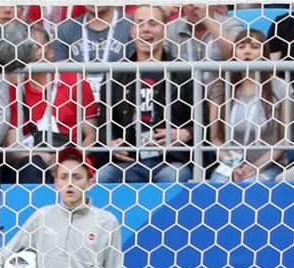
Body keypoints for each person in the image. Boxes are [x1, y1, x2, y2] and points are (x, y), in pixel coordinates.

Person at [0, 148, 126, 268]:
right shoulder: (41, 217)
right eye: (63, 177)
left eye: (77, 177)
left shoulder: (106, 222)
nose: (69, 183)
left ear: (90, 182)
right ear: (56, 182)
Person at [98, 6, 194, 184]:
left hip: (170, 161)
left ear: (165, 31)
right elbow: (103, 121)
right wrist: (109, 143)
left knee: (173, 175)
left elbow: (203, 120)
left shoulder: (182, 71)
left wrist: (185, 134)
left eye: (153, 23)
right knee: (103, 176)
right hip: (129, 161)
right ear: (132, 31)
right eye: (139, 23)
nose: (146, 29)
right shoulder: (116, 72)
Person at [1, 25, 98, 184]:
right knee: (31, 166)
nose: (31, 52)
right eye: (25, 47)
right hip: (33, 159)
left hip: (73, 156)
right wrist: (39, 156)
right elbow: (12, 148)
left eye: (37, 47)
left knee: (71, 171)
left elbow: (91, 135)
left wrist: (70, 157)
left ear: (50, 51)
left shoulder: (75, 81)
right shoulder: (15, 90)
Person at [208, 30, 291, 184]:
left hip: (268, 164)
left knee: (250, 184)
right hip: (230, 164)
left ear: (264, 52)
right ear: (234, 52)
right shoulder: (220, 88)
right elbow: (215, 138)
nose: (247, 51)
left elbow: (284, 139)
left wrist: (255, 167)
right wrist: (234, 166)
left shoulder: (281, 87)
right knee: (217, 184)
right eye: (241, 47)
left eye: (254, 47)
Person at [50, 4, 135, 100]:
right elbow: (57, 74)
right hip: (77, 101)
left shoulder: (132, 26)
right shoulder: (64, 30)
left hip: (120, 100)